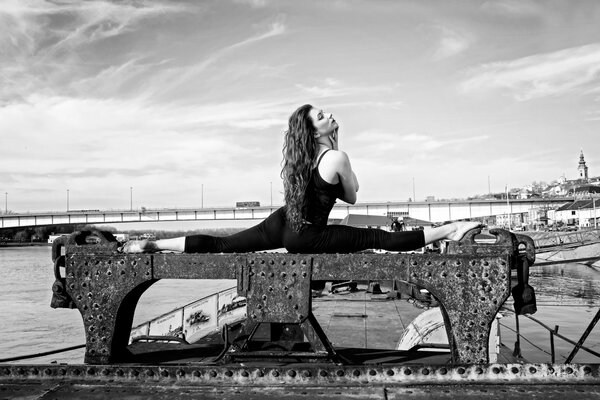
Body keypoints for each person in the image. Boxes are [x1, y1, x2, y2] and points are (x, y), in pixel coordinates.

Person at [121, 104, 481, 254]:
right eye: (322, 116)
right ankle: (448, 230)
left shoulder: (302, 158)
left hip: (283, 223)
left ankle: (153, 245)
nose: (329, 116)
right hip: (310, 233)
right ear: (315, 130)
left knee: (221, 246)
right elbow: (353, 197)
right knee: (378, 238)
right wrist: (340, 150)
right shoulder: (336, 156)